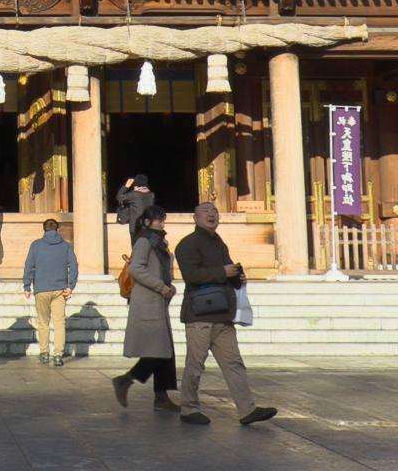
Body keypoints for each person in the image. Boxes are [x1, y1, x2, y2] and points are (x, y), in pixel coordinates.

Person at [175, 202, 277, 426]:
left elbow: (227, 270)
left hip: (222, 314)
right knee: (196, 363)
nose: (211, 215)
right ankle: (188, 408)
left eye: (214, 212)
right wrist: (222, 271)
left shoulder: (219, 242)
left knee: (233, 363)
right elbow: (191, 276)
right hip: (199, 314)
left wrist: (236, 276)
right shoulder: (188, 244)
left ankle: (246, 409)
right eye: (205, 212)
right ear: (195, 218)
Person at [112, 207, 180, 412]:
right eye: (158, 220)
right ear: (147, 222)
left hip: (159, 301)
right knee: (158, 350)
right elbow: (136, 268)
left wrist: (169, 287)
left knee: (163, 351)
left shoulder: (158, 242)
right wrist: (161, 286)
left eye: (162, 220)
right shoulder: (144, 241)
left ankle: (161, 396)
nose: (162, 224)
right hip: (148, 302)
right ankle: (126, 380)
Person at [22, 217, 78, 366]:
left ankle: (44, 352)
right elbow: (74, 266)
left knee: (43, 322)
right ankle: (58, 355)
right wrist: (70, 286)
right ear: (57, 229)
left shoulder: (36, 245)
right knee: (59, 323)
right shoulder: (66, 246)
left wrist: (27, 285)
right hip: (59, 289)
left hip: (41, 289)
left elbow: (29, 265)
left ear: (44, 230)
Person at [116, 175, 155, 246]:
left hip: (135, 227)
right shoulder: (151, 195)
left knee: (136, 249)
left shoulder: (133, 195)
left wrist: (126, 186)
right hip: (148, 227)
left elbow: (119, 197)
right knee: (149, 248)